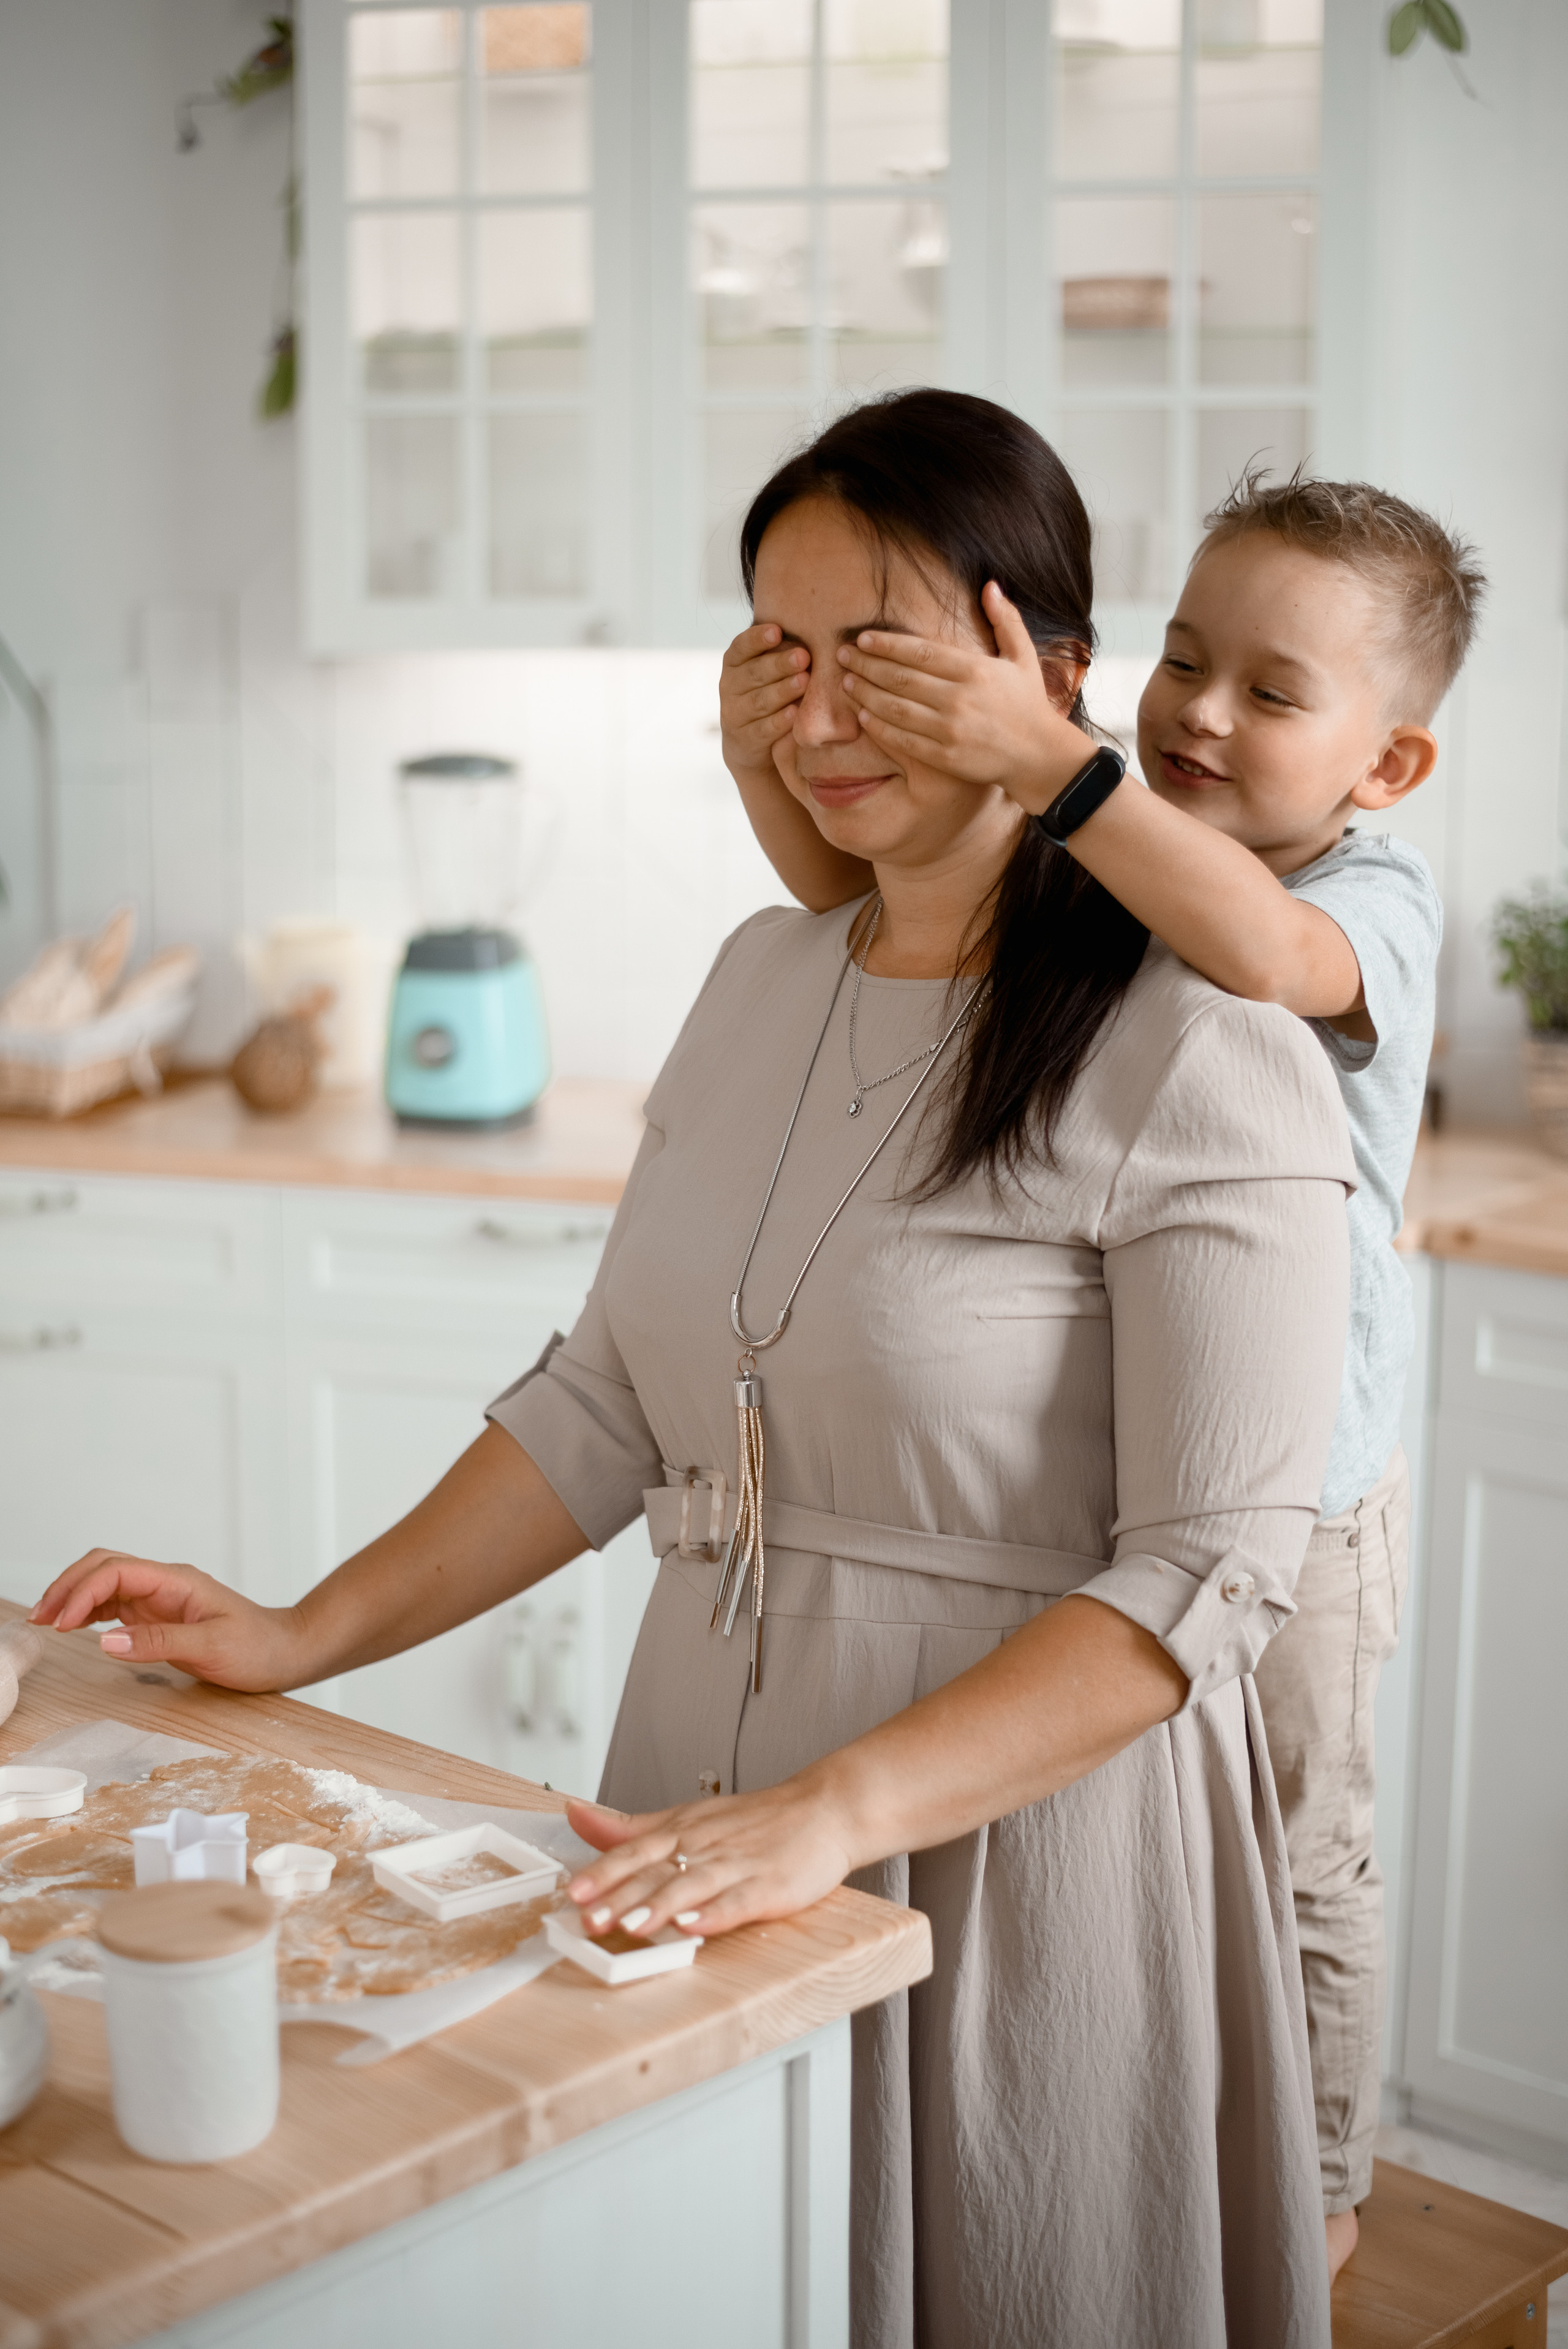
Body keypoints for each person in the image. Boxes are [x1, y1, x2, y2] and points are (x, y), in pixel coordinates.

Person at [33, 392, 1352, 2349]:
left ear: (1044, 669)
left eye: (878, 655)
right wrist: (307, 1628)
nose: (817, 720)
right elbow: (607, 1405)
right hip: (700, 1805)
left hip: (1019, 1862)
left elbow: (1198, 1581)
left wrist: (839, 1810)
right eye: (779, 655)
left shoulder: (1204, 1043)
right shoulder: (760, 981)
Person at [728, 458, 1485, 2283]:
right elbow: (854, 889)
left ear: (1386, 766)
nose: (1202, 714)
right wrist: (773, 759)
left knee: (1300, 1839)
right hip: (1159, 1472)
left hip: (1302, 1489)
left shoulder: (1366, 893)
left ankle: (1319, 2182)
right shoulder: (1118, 832)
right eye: (1181, 657)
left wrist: (1064, 765)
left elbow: (1268, 952)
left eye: (1275, 691)